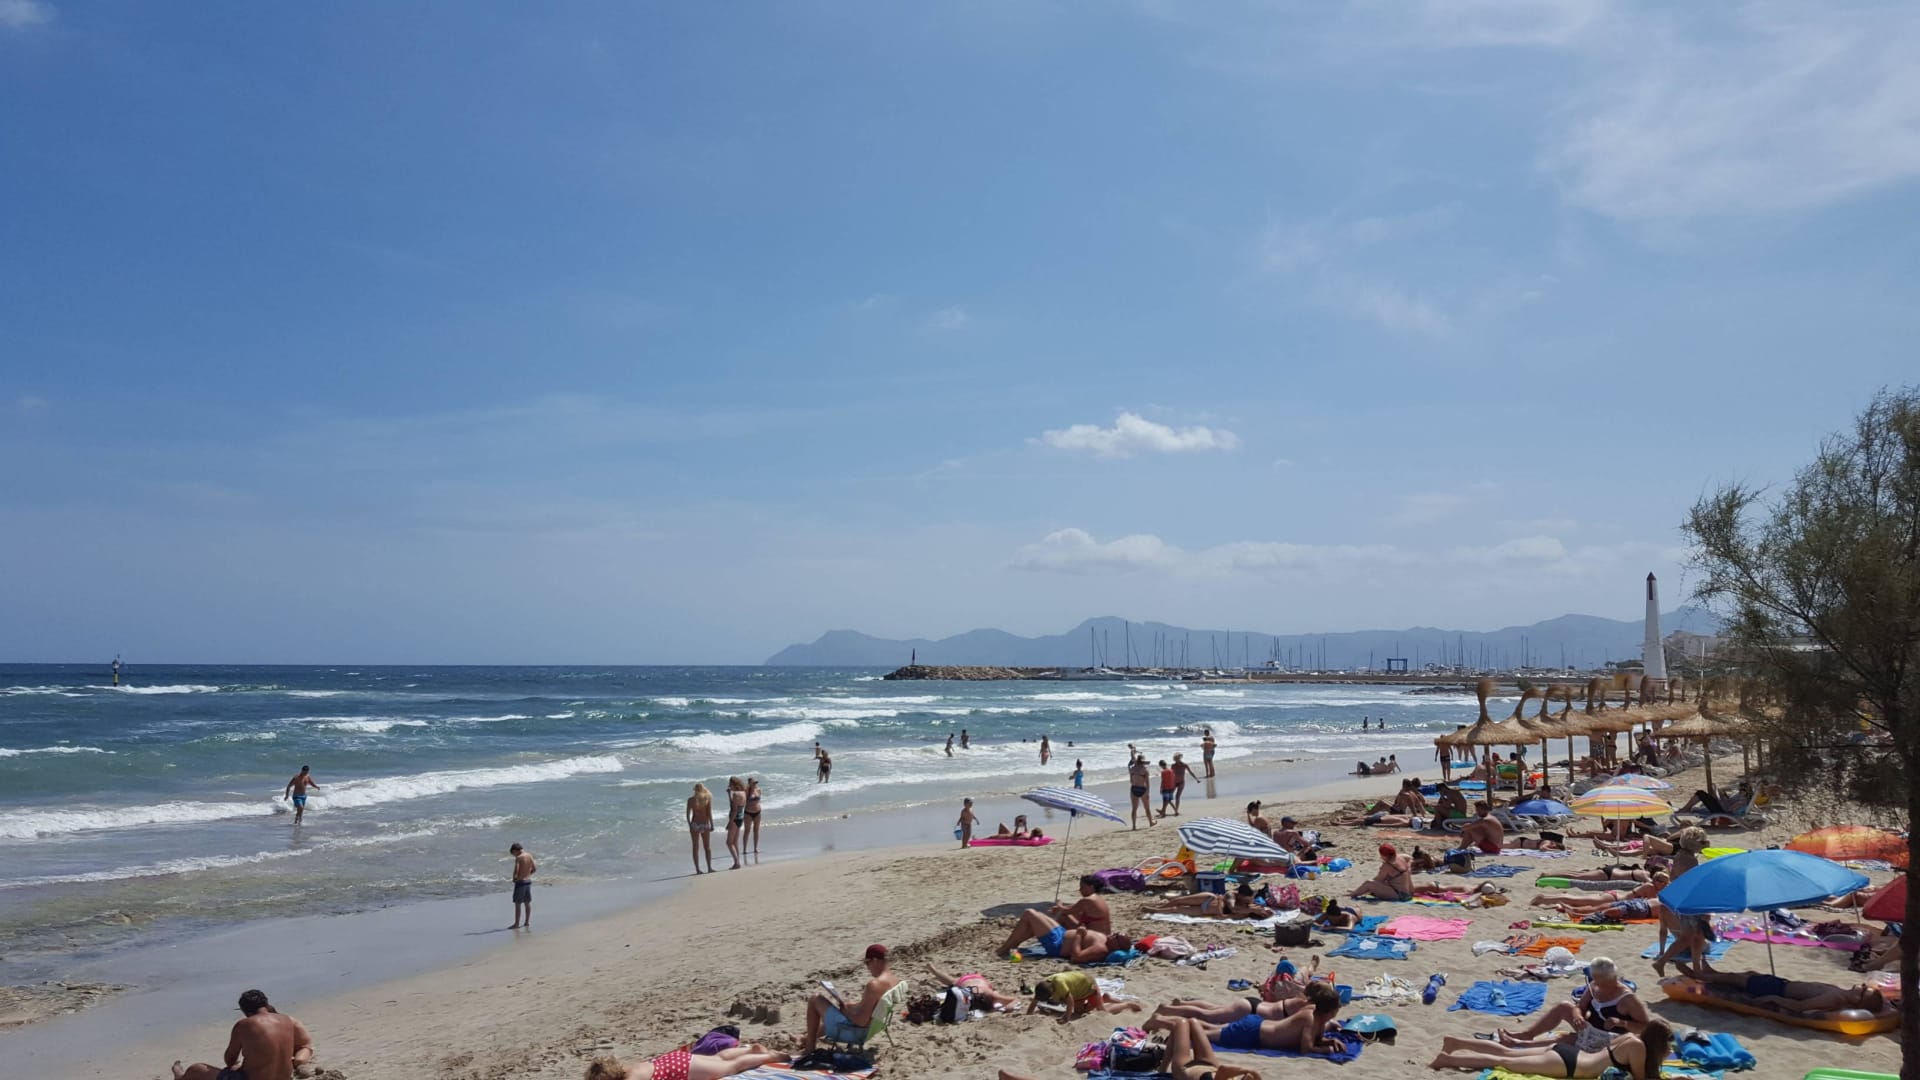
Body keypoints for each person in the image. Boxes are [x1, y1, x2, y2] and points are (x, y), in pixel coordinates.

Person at [1494, 957, 1649, 1053]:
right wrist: (1577, 1016)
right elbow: (1579, 1006)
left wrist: (1621, 1023)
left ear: (1612, 979)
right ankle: (1527, 1035)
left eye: (1601, 982)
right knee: (1564, 1006)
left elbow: (1645, 1027)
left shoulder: (1628, 1000)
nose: (1597, 985)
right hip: (1589, 1028)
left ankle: (1519, 1044)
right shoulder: (1595, 985)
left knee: (1566, 1040)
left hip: (1610, 1039)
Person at [1428, 1021, 1671, 1079]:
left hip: (1570, 1053)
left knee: (1508, 1053)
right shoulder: (1638, 1047)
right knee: (1504, 1062)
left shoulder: (1631, 1037)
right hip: (1571, 1066)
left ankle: (1456, 1043)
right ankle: (1446, 1060)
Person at [1153, 981, 1342, 1055]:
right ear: (1328, 1010)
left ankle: (1167, 1014)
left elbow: (1313, 1039)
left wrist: (1329, 1041)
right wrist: (1327, 1050)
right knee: (1203, 1031)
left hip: (1256, 1022)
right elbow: (1306, 1048)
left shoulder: (1316, 1017)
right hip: (1252, 1031)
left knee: (1209, 1021)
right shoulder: (1309, 1016)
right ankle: (1163, 1020)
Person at [170, 989, 314, 1080]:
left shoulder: (244, 1025)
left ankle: (180, 1077)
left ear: (245, 1011)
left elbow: (229, 1060)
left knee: (197, 1069)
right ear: (266, 1004)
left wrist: (236, 1065)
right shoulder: (288, 1020)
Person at [1677, 962, 1887, 1014]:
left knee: (1737, 980)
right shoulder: (1839, 993)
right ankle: (1712, 973)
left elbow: (1801, 1006)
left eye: (1863, 990)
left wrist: (1774, 999)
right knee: (1749, 973)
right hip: (1782, 983)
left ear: (1857, 1000)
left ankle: (1700, 976)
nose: (1861, 985)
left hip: (1778, 990)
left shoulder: (1834, 999)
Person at [799, 944, 900, 1051]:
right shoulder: (895, 981)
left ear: (875, 961)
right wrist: (852, 1007)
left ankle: (809, 1048)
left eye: (867, 963)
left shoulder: (874, 985)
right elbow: (873, 1007)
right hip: (874, 1027)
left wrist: (845, 1011)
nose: (867, 968)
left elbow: (861, 1021)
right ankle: (804, 1039)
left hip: (857, 1033)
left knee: (815, 999)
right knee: (846, 1007)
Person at [1138, 1016, 1266, 1080]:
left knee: (1181, 1024)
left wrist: (1252, 1071)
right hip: (1209, 1065)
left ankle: (1158, 1021)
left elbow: (1223, 1069)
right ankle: (1162, 1068)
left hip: (1185, 1069)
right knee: (1193, 1022)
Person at [585, 1045, 790, 1080]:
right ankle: (750, 1050)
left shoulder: (631, 1078)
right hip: (674, 1060)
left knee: (729, 1068)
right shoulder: (627, 1068)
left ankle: (771, 1056)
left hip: (682, 1069)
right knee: (719, 1058)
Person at [996, 910, 1129, 963]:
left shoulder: (1101, 949)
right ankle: (1012, 947)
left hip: (1057, 945)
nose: (1114, 934)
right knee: (1035, 918)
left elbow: (1076, 958)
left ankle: (1006, 948)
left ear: (1117, 947)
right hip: (1062, 934)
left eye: (1117, 937)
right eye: (1116, 933)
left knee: (1029, 914)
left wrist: (1078, 935)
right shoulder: (1106, 941)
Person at [1027, 969, 1144, 1021]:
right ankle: (1104, 999)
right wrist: (1028, 1014)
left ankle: (1127, 1004)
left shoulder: (1059, 984)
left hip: (1089, 987)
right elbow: (1035, 1000)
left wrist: (1066, 1018)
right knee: (1079, 1012)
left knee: (1102, 1011)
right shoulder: (1043, 985)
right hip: (1078, 991)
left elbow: (1070, 1002)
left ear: (1052, 990)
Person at [923, 961, 1020, 1013]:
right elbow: (1014, 999)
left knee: (952, 981)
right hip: (971, 980)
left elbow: (1014, 999)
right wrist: (1010, 1006)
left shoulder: (989, 994)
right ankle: (933, 970)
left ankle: (933, 970)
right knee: (952, 981)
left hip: (975, 979)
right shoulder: (991, 995)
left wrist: (1010, 1005)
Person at [1154, 883, 1270, 919]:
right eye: (1247, 898)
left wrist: (1254, 910)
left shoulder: (1246, 908)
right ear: (1240, 895)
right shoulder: (1231, 895)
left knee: (1177, 909)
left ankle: (1154, 909)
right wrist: (1251, 910)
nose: (1249, 900)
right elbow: (1232, 908)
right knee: (1179, 900)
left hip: (1205, 910)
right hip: (1209, 898)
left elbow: (1227, 915)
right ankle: (1157, 907)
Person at [1352, 843, 1416, 901]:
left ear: (1383, 855)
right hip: (1409, 893)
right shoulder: (1402, 857)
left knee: (1368, 883)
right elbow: (1411, 858)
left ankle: (1352, 894)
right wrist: (1409, 867)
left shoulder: (1388, 865)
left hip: (1400, 896)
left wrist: (1361, 889)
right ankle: (1357, 891)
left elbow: (1378, 880)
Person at [686, 783, 716, 874]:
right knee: (707, 847)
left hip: (695, 824)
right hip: (704, 824)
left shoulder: (690, 800)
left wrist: (690, 824)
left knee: (695, 847)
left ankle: (698, 869)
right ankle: (709, 868)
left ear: (694, 790)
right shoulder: (707, 799)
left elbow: (687, 814)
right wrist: (712, 824)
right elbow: (709, 813)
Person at [508, 842, 536, 928]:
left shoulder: (519, 857)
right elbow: (534, 869)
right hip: (528, 881)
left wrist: (514, 878)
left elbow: (516, 869)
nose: (514, 856)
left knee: (518, 904)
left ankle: (516, 923)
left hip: (520, 883)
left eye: (513, 854)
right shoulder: (529, 855)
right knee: (527, 903)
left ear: (515, 850)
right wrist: (527, 875)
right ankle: (527, 922)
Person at [725, 776, 747, 870]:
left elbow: (734, 810)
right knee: (735, 842)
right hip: (740, 818)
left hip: (734, 819)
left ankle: (736, 862)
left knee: (729, 843)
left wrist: (730, 822)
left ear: (734, 784)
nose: (729, 785)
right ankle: (738, 862)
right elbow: (736, 805)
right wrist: (729, 794)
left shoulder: (735, 794)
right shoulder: (743, 793)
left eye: (730, 783)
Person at [1128, 754, 1156, 829]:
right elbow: (1147, 783)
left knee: (1134, 809)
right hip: (1142, 789)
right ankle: (1151, 822)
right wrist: (1147, 792)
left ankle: (1134, 826)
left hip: (1134, 788)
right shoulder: (1145, 770)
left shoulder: (1132, 769)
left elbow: (1131, 781)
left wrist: (1132, 752)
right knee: (1147, 808)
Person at [742, 777, 762, 856]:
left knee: (756, 830)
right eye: (753, 783)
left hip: (758, 812)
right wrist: (749, 787)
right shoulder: (747, 791)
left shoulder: (758, 790)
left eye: (755, 783)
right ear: (749, 784)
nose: (755, 784)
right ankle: (744, 849)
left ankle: (755, 848)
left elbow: (758, 801)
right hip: (748, 813)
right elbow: (744, 799)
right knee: (747, 831)